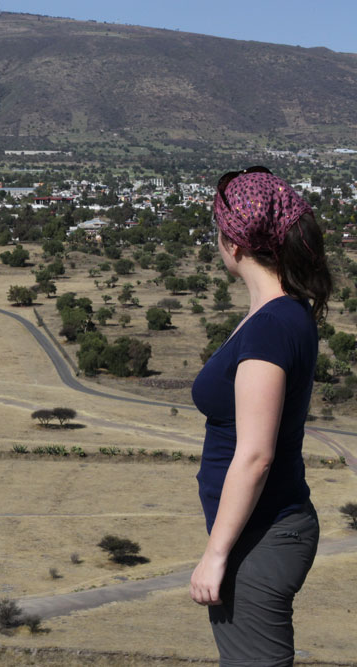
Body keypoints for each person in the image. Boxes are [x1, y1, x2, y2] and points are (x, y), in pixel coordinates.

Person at [191, 167, 330, 665]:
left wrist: (216, 555)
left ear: (234, 241)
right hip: (264, 531)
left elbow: (254, 456)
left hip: (260, 537)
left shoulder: (270, 326)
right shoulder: (281, 312)